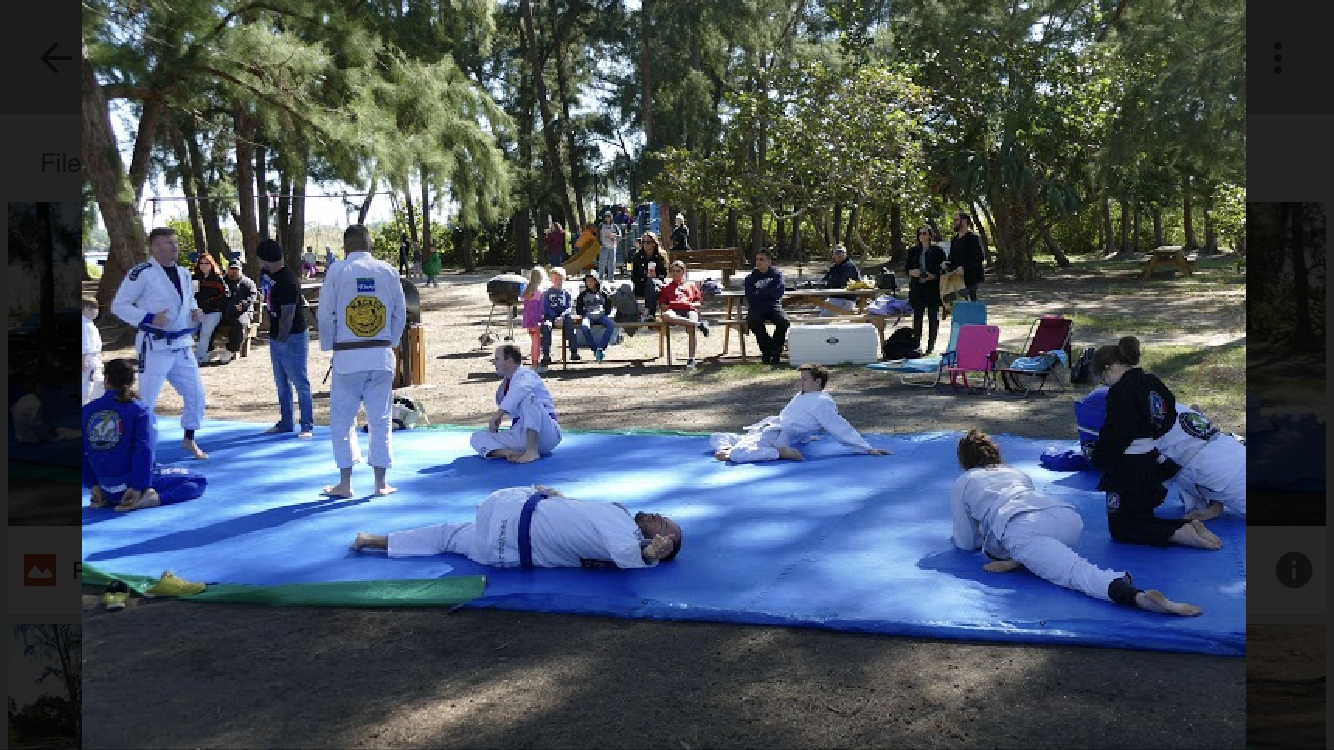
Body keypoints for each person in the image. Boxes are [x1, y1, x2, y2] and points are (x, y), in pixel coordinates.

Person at [950, 429, 1202, 616]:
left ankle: (1139, 598)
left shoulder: (965, 481)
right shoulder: (1016, 473)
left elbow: (965, 541)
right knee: (1034, 546)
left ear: (965, 461)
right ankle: (1020, 559)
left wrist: (968, 542)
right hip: (1065, 519)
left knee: (1075, 574)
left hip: (1022, 528)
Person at [1089, 336, 1224, 550]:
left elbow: (1117, 433)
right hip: (1151, 464)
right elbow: (1169, 414)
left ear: (1110, 368)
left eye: (1104, 377)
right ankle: (1187, 526)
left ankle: (1181, 533)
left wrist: (1099, 457)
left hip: (1128, 470)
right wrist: (1150, 434)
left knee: (1122, 529)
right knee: (1141, 517)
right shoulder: (1152, 382)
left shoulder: (1121, 390)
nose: (1106, 383)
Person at [350, 484, 681, 569]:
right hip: (505, 532)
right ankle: (375, 541)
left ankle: (377, 541)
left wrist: (651, 553)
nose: (659, 518)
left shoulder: (628, 537)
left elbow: (629, 557)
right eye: (664, 518)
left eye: (665, 528)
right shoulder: (619, 515)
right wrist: (556, 497)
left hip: (510, 534)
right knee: (447, 535)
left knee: (451, 535)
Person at [318, 224, 408, 497]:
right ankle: (380, 483)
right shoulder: (388, 271)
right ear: (370, 245)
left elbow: (325, 314)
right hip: (380, 355)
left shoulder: (337, 271)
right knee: (380, 418)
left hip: (348, 356)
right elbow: (400, 313)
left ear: (345, 247)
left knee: (343, 420)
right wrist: (391, 341)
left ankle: (345, 483)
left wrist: (329, 345)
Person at [110, 226, 208, 459]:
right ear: (153, 247)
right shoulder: (142, 273)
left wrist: (195, 311)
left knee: (196, 395)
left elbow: (189, 299)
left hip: (182, 344)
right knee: (147, 399)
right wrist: (149, 318)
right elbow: (119, 305)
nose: (174, 246)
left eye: (175, 242)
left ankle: (189, 439)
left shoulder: (184, 272)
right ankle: (141, 449)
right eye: (167, 242)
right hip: (154, 345)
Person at [82, 359, 208, 512]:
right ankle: (151, 499)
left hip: (105, 487)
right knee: (198, 481)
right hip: (130, 488)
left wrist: (93, 485)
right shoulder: (139, 409)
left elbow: (83, 452)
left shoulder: (87, 410)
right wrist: (139, 487)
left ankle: (109, 495)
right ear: (132, 381)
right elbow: (144, 449)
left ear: (106, 379)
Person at [711, 363, 890, 462]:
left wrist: (866, 448)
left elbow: (839, 426)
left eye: (805, 380)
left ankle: (779, 453)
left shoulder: (822, 402)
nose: (801, 383)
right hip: (771, 429)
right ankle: (730, 449)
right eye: (801, 379)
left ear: (818, 381)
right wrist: (805, 437)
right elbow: (797, 419)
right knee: (717, 436)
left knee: (737, 455)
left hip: (777, 435)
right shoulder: (802, 395)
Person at [256, 239, 314, 439]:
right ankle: (286, 421)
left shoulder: (288, 280)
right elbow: (266, 298)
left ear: (265, 260)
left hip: (293, 336)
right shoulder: (265, 274)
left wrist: (281, 341)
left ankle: (306, 424)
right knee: (281, 382)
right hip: (275, 335)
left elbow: (288, 316)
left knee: (299, 380)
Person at [469, 344, 561, 463]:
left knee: (528, 397)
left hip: (545, 432)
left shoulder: (527, 374)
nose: (494, 362)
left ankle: (531, 450)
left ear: (509, 361)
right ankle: (508, 452)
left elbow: (521, 389)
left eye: (497, 359)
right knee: (477, 437)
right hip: (521, 434)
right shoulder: (505, 384)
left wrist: (499, 414)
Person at [1155, 402, 1247, 521]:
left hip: (1218, 470)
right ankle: (1207, 502)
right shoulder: (1159, 396)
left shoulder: (1134, 410)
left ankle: (1207, 501)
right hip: (1230, 451)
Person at [658, 260, 710, 370]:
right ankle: (699, 324)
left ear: (683, 272)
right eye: (673, 271)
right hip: (673, 310)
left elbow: (698, 303)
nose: (675, 273)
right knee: (666, 316)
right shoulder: (666, 287)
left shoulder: (690, 286)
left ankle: (691, 359)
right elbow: (663, 306)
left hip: (689, 309)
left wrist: (687, 304)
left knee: (691, 326)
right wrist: (675, 304)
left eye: (678, 271)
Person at [744, 248, 789, 368]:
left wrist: (760, 292)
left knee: (784, 322)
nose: (758, 262)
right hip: (756, 307)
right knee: (753, 321)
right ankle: (769, 351)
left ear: (769, 262)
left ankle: (774, 351)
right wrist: (766, 292)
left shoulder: (777, 275)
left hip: (773, 306)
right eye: (757, 259)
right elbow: (750, 297)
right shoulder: (750, 278)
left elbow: (777, 293)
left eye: (762, 260)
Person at [906, 225, 947, 353]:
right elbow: (906, 268)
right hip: (917, 288)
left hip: (932, 288)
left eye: (924, 233)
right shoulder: (913, 251)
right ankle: (916, 344)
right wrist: (913, 272)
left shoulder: (938, 250)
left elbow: (943, 268)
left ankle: (930, 346)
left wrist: (933, 275)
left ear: (930, 235)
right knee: (917, 317)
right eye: (920, 234)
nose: (922, 236)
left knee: (933, 317)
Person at [11, 376, 80, 443]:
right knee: (63, 432)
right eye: (40, 388)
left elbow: (12, 410)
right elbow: (34, 423)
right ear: (33, 391)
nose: (43, 389)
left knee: (58, 430)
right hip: (31, 436)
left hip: (20, 435)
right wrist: (49, 429)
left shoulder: (22, 399)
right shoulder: (36, 403)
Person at [191, 250, 228, 363]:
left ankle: (199, 358)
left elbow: (225, 296)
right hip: (197, 311)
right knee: (189, 331)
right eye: (201, 263)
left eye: (206, 263)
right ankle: (185, 356)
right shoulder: (195, 278)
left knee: (205, 333)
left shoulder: (217, 278)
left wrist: (209, 304)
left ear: (211, 264)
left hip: (213, 312)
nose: (203, 266)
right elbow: (191, 294)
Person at [217, 258, 257, 363]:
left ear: (241, 270)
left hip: (243, 312)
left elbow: (252, 296)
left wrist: (244, 304)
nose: (234, 271)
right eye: (231, 268)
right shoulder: (222, 281)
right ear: (228, 269)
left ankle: (231, 350)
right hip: (225, 311)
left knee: (239, 323)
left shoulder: (248, 282)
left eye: (236, 269)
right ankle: (207, 350)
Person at [574, 271, 618, 362]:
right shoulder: (582, 295)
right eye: (587, 281)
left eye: (591, 280)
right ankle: (594, 349)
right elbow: (578, 310)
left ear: (596, 281)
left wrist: (604, 312)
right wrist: (585, 312)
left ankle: (601, 348)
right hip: (588, 316)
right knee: (585, 327)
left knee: (611, 325)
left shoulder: (603, 293)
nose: (589, 283)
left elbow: (608, 306)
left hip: (601, 316)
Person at [942, 211, 985, 302]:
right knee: (957, 306)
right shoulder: (954, 239)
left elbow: (979, 258)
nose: (954, 222)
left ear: (964, 221)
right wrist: (946, 263)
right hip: (955, 279)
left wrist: (965, 268)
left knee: (969, 306)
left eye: (956, 220)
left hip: (970, 279)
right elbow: (952, 258)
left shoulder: (973, 239)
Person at [539, 266, 577, 365]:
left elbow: (569, 307)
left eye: (560, 279)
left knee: (570, 326)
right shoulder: (546, 293)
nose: (558, 281)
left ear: (564, 280)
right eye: (556, 279)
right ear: (551, 280)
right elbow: (546, 307)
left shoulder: (567, 293)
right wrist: (555, 317)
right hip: (550, 317)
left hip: (564, 317)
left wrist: (562, 317)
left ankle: (574, 352)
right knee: (546, 327)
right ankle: (546, 355)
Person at [630, 231, 670, 322]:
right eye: (643, 242)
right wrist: (644, 277)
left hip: (657, 284)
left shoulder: (661, 256)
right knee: (650, 284)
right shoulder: (637, 256)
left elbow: (664, 275)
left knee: (652, 283)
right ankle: (650, 314)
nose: (645, 245)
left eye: (648, 242)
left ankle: (648, 311)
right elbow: (633, 276)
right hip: (642, 286)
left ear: (654, 243)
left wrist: (656, 276)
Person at [520, 266, 548, 372]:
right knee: (537, 342)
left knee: (533, 342)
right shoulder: (539, 291)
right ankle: (535, 365)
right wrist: (540, 319)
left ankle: (534, 363)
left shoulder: (527, 290)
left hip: (528, 320)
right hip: (535, 320)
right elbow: (538, 308)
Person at [820, 245, 862, 315]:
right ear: (833, 255)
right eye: (837, 253)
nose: (840, 254)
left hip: (845, 300)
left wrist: (827, 284)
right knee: (818, 307)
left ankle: (814, 325)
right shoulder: (834, 267)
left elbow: (838, 283)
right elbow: (825, 280)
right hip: (835, 298)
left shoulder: (849, 266)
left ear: (846, 254)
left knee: (823, 316)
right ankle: (808, 325)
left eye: (842, 252)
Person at [81, 297, 104, 405]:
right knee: (87, 385)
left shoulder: (89, 323)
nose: (96, 312)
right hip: (89, 359)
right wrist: (83, 358)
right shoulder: (84, 324)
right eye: (94, 309)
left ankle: (97, 405)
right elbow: (84, 342)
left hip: (95, 359)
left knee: (98, 384)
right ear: (85, 309)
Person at [597, 211, 621, 282]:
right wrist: (600, 243)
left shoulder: (615, 226)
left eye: (609, 216)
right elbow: (598, 236)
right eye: (606, 216)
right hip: (604, 247)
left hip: (612, 247)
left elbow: (620, 236)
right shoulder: (601, 226)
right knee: (602, 263)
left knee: (612, 263)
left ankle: (611, 278)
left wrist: (614, 235)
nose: (607, 218)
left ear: (611, 217)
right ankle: (601, 278)